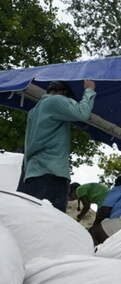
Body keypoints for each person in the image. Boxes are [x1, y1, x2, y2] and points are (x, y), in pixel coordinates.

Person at [17, 80, 96, 211]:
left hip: (33, 174)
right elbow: (82, 113)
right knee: (52, 224)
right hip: (50, 174)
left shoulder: (34, 111)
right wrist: (89, 90)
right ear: (64, 93)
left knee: (31, 222)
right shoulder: (56, 100)